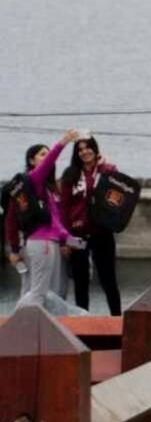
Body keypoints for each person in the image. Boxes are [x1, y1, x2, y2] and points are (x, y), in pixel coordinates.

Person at [6, 129, 81, 309]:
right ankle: (20, 325)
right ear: (32, 161)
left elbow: (55, 223)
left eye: (47, 155)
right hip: (41, 242)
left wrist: (73, 241)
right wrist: (62, 143)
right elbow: (11, 220)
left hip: (51, 242)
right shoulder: (32, 180)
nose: (46, 158)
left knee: (50, 292)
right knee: (38, 292)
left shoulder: (47, 189)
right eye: (42, 155)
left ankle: (42, 328)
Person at [61, 134, 123, 315]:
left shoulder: (108, 169)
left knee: (108, 280)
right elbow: (63, 208)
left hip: (102, 231)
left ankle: (117, 319)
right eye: (80, 149)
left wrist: (102, 166)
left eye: (88, 147)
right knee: (80, 281)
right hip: (76, 234)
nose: (84, 152)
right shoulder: (70, 174)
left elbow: (117, 191)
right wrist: (65, 239)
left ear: (95, 149)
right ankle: (83, 321)